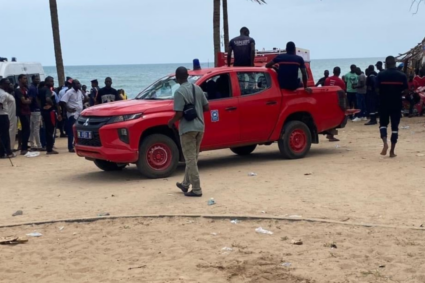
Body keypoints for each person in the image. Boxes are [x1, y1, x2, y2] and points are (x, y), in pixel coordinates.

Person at [168, 67, 209, 197]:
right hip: (200, 126)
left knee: (190, 159)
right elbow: (207, 107)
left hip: (187, 129)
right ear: (188, 76)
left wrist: (170, 122)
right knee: (193, 158)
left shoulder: (179, 92)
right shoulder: (197, 88)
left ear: (177, 78)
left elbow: (179, 114)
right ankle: (185, 184)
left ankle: (197, 189)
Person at [376, 56, 408, 158]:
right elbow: (406, 91)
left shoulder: (380, 75)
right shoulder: (402, 75)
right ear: (395, 63)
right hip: (396, 103)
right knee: (395, 127)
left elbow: (376, 90)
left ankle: (385, 142)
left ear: (386, 64)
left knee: (383, 124)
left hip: (383, 103)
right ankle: (392, 151)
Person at [60, 79, 86, 153]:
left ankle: (77, 144)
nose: (79, 85)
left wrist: (80, 104)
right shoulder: (69, 92)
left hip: (79, 113)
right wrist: (68, 108)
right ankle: (70, 147)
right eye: (77, 84)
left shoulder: (80, 92)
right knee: (71, 131)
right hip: (72, 114)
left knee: (79, 130)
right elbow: (62, 101)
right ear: (73, 85)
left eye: (79, 83)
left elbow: (85, 99)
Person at [38, 76, 61, 155]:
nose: (52, 83)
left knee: (47, 130)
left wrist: (41, 107)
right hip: (49, 112)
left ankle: (48, 147)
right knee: (51, 131)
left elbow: (38, 99)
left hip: (44, 111)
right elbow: (47, 98)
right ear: (46, 82)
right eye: (51, 81)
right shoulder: (47, 90)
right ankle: (49, 149)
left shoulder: (40, 90)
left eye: (53, 81)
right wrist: (52, 104)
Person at [324, 67, 346, 142]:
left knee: (328, 116)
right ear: (339, 72)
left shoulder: (327, 79)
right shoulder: (341, 82)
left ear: (333, 71)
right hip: (335, 101)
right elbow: (342, 93)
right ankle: (330, 135)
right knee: (334, 117)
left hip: (326, 100)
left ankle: (328, 133)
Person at [14, 74, 32, 155]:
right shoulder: (18, 90)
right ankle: (23, 148)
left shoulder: (26, 89)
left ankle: (24, 146)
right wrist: (28, 100)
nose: (26, 80)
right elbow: (24, 101)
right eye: (24, 78)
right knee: (25, 130)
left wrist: (28, 100)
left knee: (27, 130)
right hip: (22, 112)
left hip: (27, 111)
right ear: (20, 80)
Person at [0, 78, 15, 158]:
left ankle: (3, 152)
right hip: (3, 115)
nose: (9, 85)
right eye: (7, 83)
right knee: (5, 135)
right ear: (2, 84)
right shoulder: (4, 94)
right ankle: (6, 152)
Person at [28, 75, 43, 151]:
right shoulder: (33, 88)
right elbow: (33, 99)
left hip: (33, 110)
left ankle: (32, 144)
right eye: (36, 79)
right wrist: (40, 107)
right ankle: (39, 145)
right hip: (35, 110)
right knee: (36, 128)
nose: (38, 80)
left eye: (39, 79)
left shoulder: (33, 87)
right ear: (33, 79)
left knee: (33, 128)